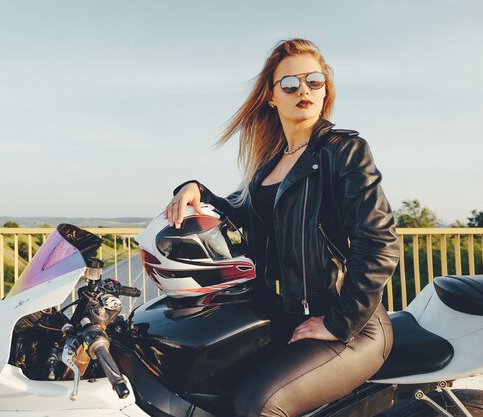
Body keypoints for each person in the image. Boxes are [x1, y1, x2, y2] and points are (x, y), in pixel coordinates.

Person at [164, 38, 399, 417]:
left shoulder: (344, 150)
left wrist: (340, 322)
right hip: (290, 317)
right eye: (290, 84)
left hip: (354, 325)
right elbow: (240, 213)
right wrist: (194, 188)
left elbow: (380, 242)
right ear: (272, 97)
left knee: (257, 405)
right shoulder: (269, 165)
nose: (303, 90)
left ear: (325, 91)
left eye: (314, 81)